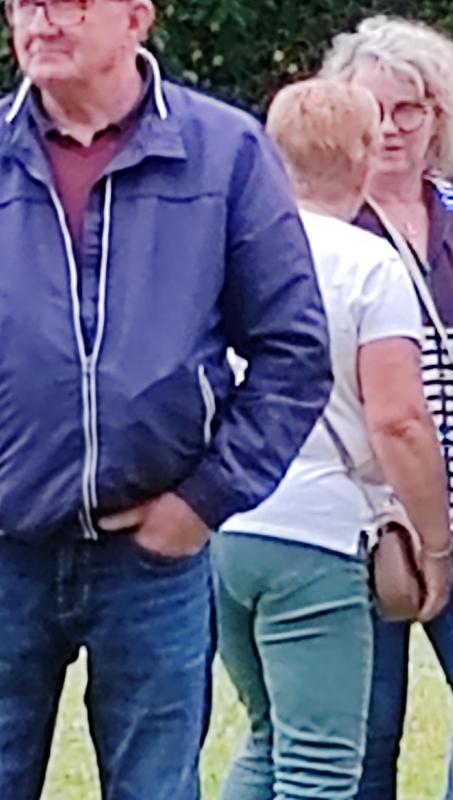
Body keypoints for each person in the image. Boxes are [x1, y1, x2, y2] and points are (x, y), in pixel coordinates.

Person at [0, 1, 333, 798]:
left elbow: (294, 352)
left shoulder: (224, 153)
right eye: (23, 3)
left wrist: (202, 502)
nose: (41, 21)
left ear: (136, 19)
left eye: (69, 2)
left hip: (153, 561)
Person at [212, 78, 452, 800]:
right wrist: (435, 542)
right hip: (318, 527)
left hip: (226, 519)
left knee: (268, 740)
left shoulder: (227, 250)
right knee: (319, 766)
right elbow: (398, 420)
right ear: (363, 155)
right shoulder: (370, 264)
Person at [319, 17, 453, 800]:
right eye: (373, 108)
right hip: (360, 515)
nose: (392, 127)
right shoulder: (324, 226)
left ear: (441, 115)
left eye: (410, 108)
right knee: (365, 741)